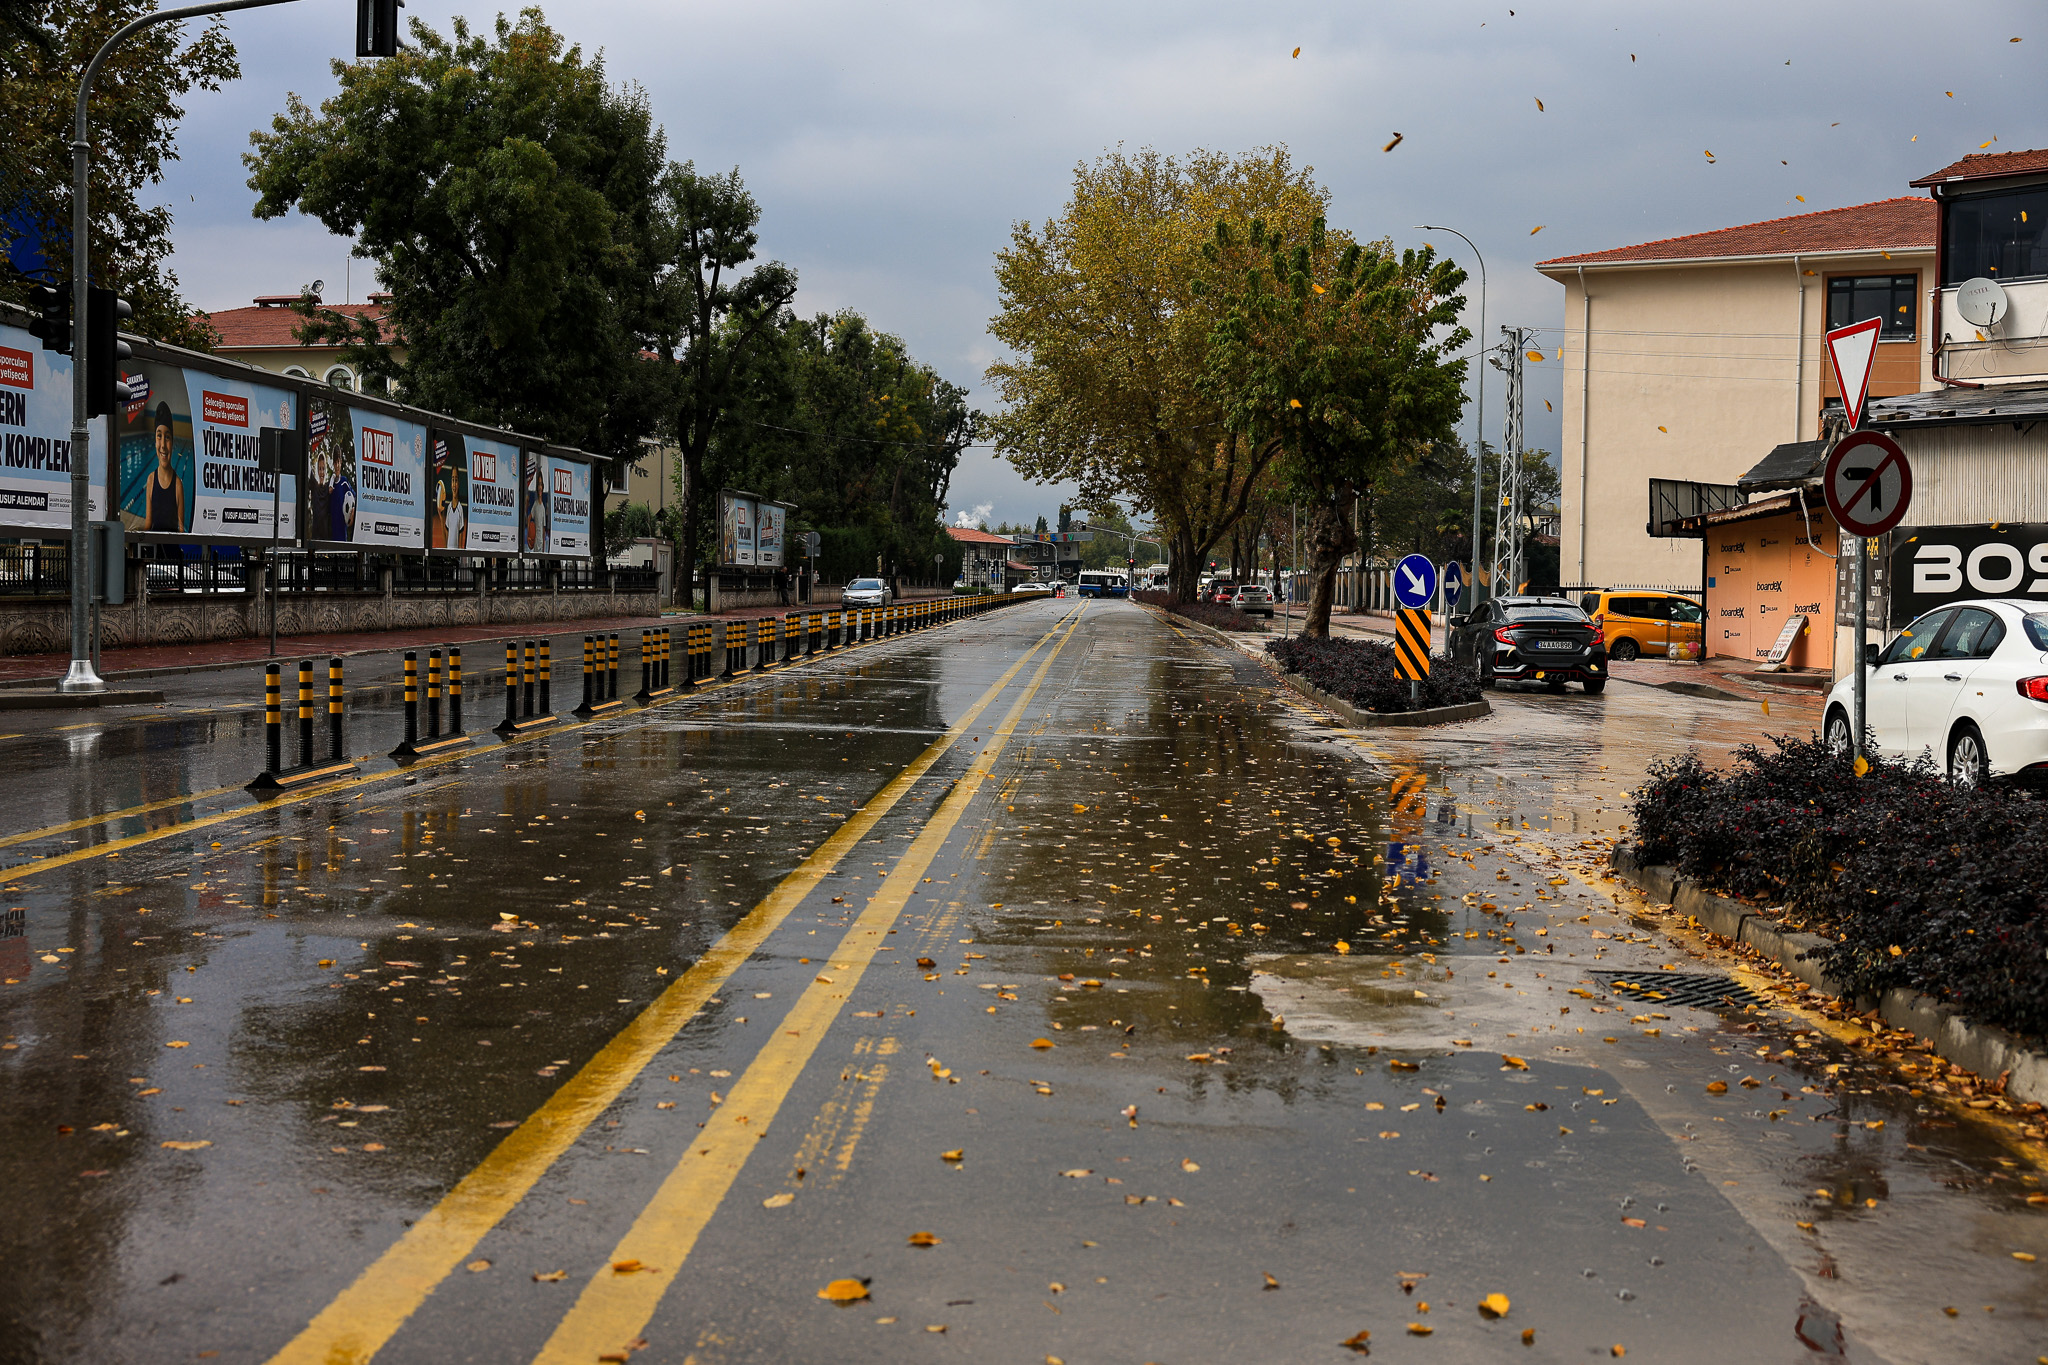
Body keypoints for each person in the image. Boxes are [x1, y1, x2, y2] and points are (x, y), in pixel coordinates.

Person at [144, 402, 186, 533]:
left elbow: (181, 529)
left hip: (171, 550)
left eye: (167, 437)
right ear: (155, 441)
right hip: (153, 548)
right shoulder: (151, 479)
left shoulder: (178, 484)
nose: (163, 445)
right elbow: (148, 523)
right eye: (159, 435)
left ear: (172, 443)